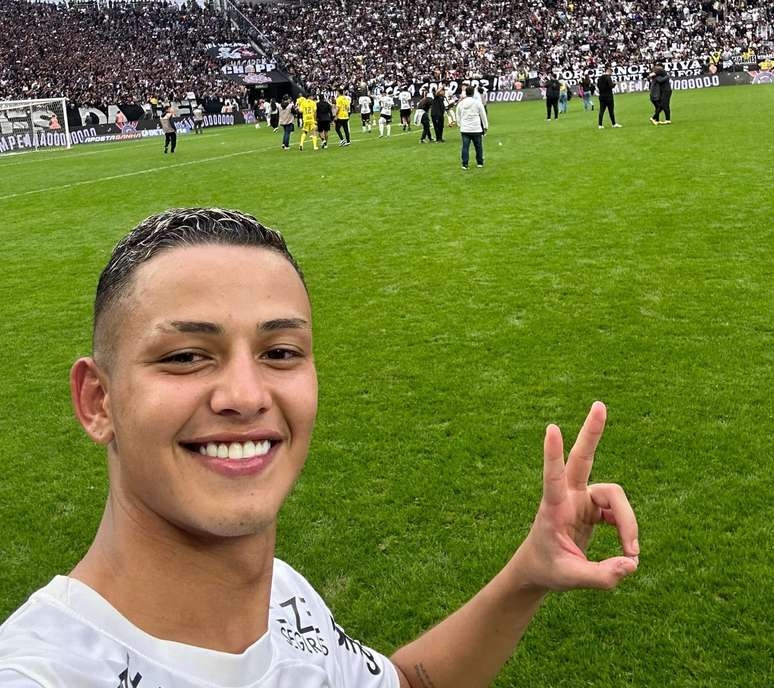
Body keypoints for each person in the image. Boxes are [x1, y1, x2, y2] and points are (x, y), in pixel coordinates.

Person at [0, 207, 639, 688]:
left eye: (280, 352)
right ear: (98, 401)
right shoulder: (43, 673)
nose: (245, 395)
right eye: (187, 356)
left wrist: (527, 574)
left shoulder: (284, 598)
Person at [456, 84, 488, 169]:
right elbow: (483, 115)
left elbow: (458, 115)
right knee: (478, 146)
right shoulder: (477, 103)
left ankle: (465, 164)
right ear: (473, 93)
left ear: (465, 93)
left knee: (465, 147)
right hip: (476, 128)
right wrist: (485, 126)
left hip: (465, 129)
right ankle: (479, 162)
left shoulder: (461, 103)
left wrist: (459, 124)